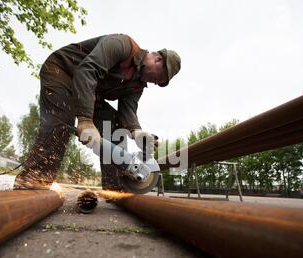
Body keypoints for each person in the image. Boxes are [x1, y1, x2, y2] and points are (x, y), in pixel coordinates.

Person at [14, 34, 181, 190]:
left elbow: (127, 110)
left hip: (90, 92)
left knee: (113, 126)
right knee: (62, 120)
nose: (155, 83)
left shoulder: (137, 85)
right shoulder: (122, 45)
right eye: (159, 78)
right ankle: (34, 179)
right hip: (62, 71)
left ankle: (115, 189)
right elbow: (86, 71)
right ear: (158, 59)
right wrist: (85, 120)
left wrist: (136, 132)